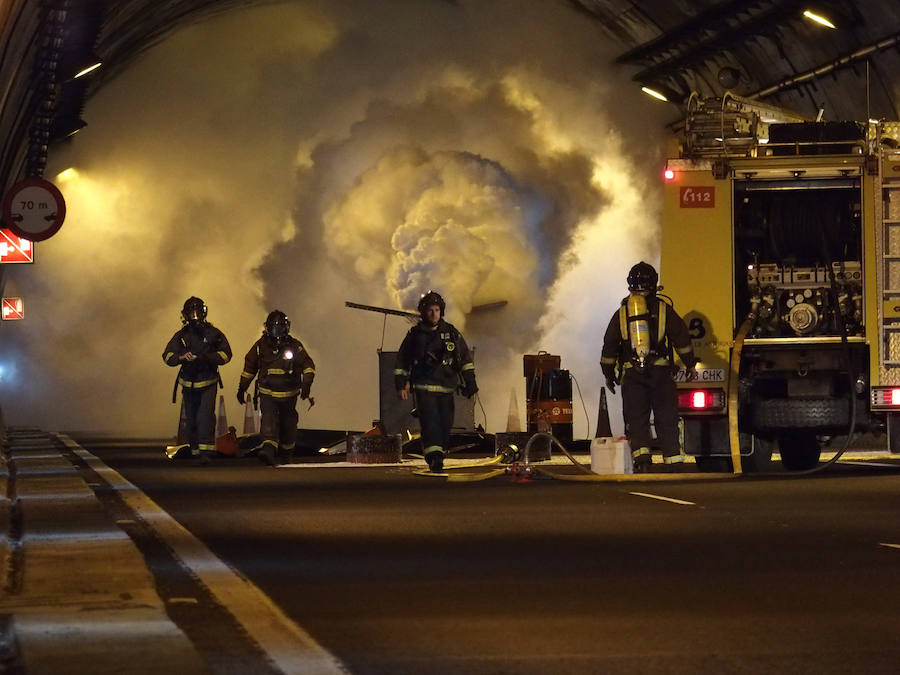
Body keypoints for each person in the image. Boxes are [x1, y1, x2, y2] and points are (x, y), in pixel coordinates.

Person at [600, 262, 697, 473]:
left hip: (632, 374)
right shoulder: (664, 310)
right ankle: (673, 462)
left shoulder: (623, 313)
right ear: (654, 283)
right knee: (666, 417)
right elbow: (681, 338)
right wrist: (690, 364)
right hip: (661, 374)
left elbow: (609, 346)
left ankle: (642, 461)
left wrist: (608, 374)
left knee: (636, 419)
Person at [394, 291, 478, 473]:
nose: (434, 314)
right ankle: (434, 459)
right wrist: (401, 384)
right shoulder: (415, 335)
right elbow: (402, 361)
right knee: (431, 423)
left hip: (447, 388)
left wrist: (470, 382)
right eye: (430, 310)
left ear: (442, 311)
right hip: (424, 388)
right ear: (424, 312)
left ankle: (438, 454)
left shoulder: (451, 333)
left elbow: (464, 359)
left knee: (445, 425)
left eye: (437, 310)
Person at [237, 310, 315, 466]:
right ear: (267, 328)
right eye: (274, 329)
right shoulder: (260, 346)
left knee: (289, 424)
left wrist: (306, 385)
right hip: (268, 393)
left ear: (287, 328)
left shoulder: (295, 346)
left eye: (281, 328)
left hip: (289, 394)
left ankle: (286, 454)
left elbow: (308, 366)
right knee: (268, 421)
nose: (277, 333)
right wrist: (242, 388)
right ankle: (268, 451)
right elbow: (249, 368)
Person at [163, 296, 232, 464]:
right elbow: (167, 356)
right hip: (188, 384)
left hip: (208, 381)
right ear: (185, 315)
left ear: (204, 313)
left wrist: (205, 358)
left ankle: (205, 453)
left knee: (205, 416)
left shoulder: (213, 334)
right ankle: (195, 452)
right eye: (191, 313)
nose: (195, 316)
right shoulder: (181, 335)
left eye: (197, 312)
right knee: (192, 418)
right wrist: (180, 357)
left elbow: (226, 354)